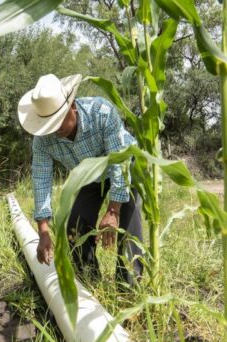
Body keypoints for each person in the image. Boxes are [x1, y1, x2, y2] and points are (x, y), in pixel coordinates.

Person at [17, 73, 143, 286]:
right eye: (49, 125)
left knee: (129, 223)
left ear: (72, 106)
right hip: (89, 177)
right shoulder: (42, 141)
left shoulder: (101, 112)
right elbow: (41, 180)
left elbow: (119, 162)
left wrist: (113, 211)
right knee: (76, 224)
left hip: (124, 168)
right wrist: (44, 231)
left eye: (59, 121)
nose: (55, 130)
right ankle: (90, 283)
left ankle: (129, 291)